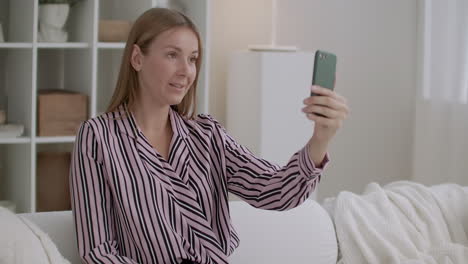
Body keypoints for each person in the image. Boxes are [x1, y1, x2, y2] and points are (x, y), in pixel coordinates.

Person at [70, 7, 349, 264]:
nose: (186, 71)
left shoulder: (206, 134)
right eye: (172, 55)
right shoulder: (98, 138)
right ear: (137, 58)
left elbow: (274, 191)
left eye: (192, 59)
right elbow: (99, 251)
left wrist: (320, 139)